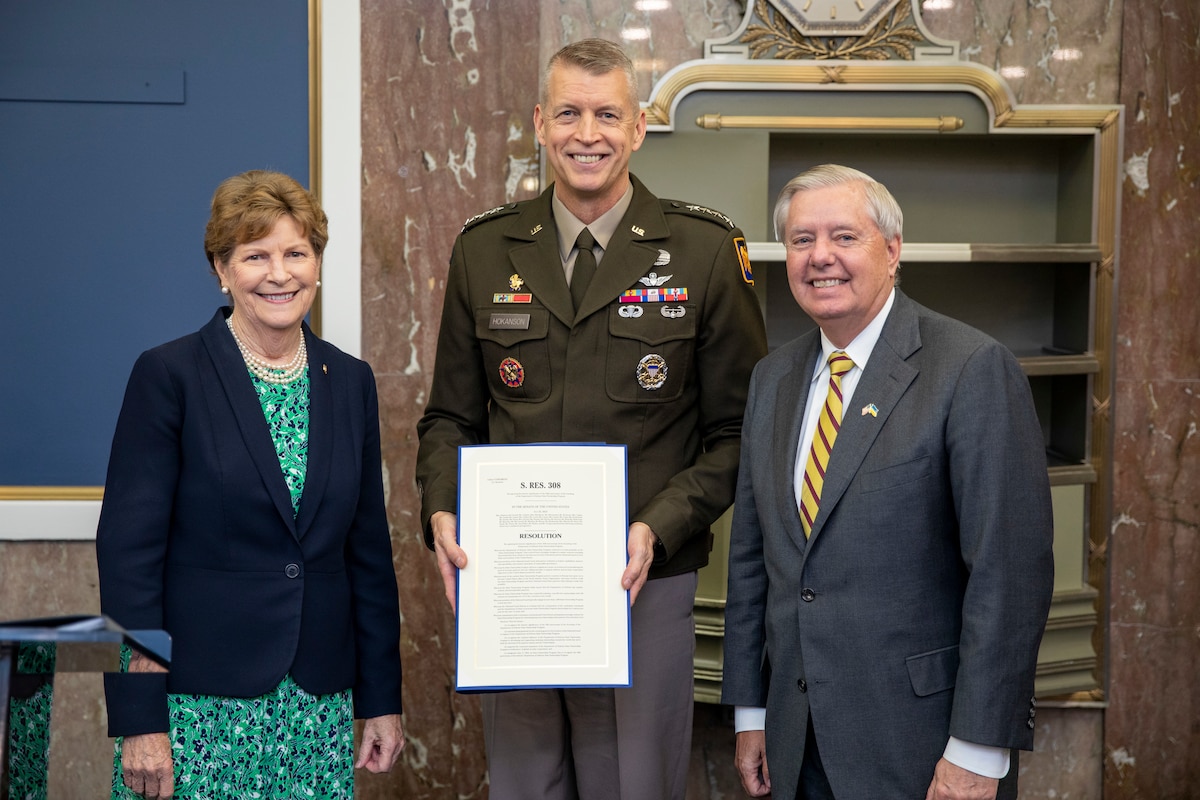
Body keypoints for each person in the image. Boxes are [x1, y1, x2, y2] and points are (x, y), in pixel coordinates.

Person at [415, 38, 767, 800]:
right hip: (516, 582)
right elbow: (448, 415)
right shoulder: (484, 250)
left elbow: (740, 434)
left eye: (607, 114)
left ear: (638, 128)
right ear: (540, 124)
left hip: (641, 579)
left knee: (632, 786)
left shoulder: (705, 251)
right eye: (569, 113)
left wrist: (661, 523)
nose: (587, 134)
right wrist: (442, 510)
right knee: (522, 785)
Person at [722, 164, 1055, 800]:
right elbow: (751, 559)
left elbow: (1008, 574)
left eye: (844, 237)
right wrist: (751, 713)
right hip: (797, 743)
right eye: (801, 240)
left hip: (924, 747)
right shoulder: (772, 378)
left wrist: (978, 751)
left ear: (893, 250)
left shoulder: (971, 368)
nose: (821, 257)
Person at [96, 170, 405, 799]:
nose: (280, 273)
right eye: (255, 256)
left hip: (316, 708)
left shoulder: (350, 382)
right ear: (221, 269)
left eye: (297, 253)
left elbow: (368, 555)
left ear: (318, 263)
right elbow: (128, 556)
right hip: (197, 708)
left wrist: (381, 699)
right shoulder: (169, 374)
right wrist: (140, 716)